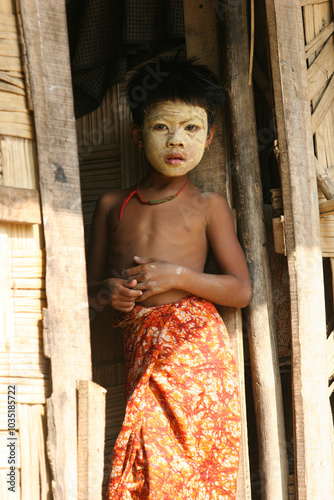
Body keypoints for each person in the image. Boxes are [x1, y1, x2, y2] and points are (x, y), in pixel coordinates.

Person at [87, 56, 252, 500]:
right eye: (162, 127)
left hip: (195, 353)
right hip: (140, 347)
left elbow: (240, 290)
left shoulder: (208, 206)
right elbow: (90, 298)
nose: (176, 140)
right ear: (137, 135)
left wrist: (179, 276)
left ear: (210, 136)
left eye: (191, 128)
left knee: (196, 465)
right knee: (148, 461)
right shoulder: (110, 205)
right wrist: (110, 294)